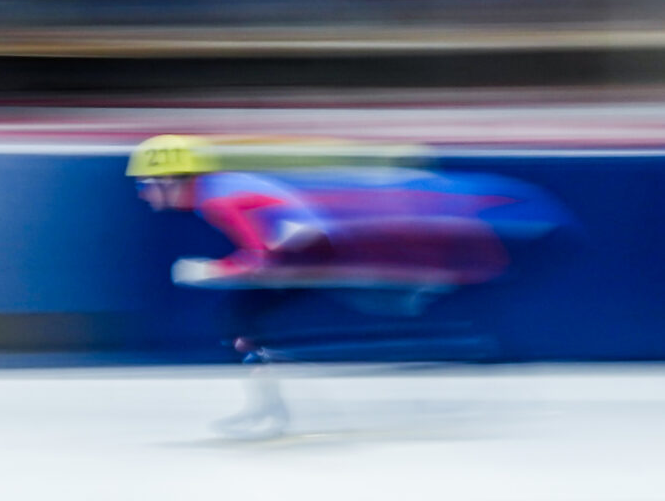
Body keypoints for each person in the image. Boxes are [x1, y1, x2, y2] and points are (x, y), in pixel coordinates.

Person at [128, 134, 574, 437]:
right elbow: (284, 236)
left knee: (241, 318)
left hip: (322, 255)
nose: (144, 194)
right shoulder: (219, 190)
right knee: (242, 320)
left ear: (173, 178)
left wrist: (217, 270)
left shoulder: (219, 199)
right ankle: (271, 401)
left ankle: (272, 405)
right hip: (319, 253)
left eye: (148, 184)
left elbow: (278, 243)